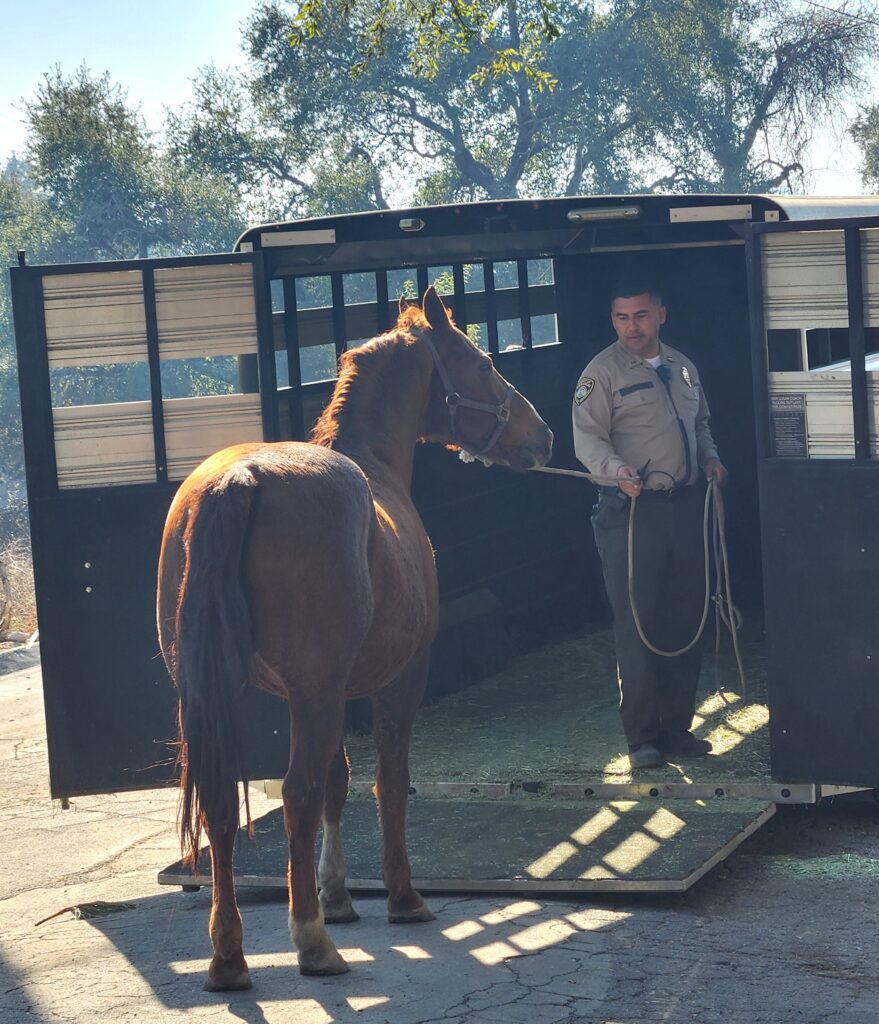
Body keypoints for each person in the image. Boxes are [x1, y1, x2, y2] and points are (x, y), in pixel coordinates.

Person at [572, 276, 728, 770]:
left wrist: (710, 459)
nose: (631, 327)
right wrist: (616, 470)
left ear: (661, 314)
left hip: (685, 506)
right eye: (622, 317)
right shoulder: (601, 374)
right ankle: (642, 738)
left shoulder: (682, 367)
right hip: (632, 514)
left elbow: (700, 423)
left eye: (640, 315)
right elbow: (588, 439)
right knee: (638, 623)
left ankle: (678, 729)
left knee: (686, 618)